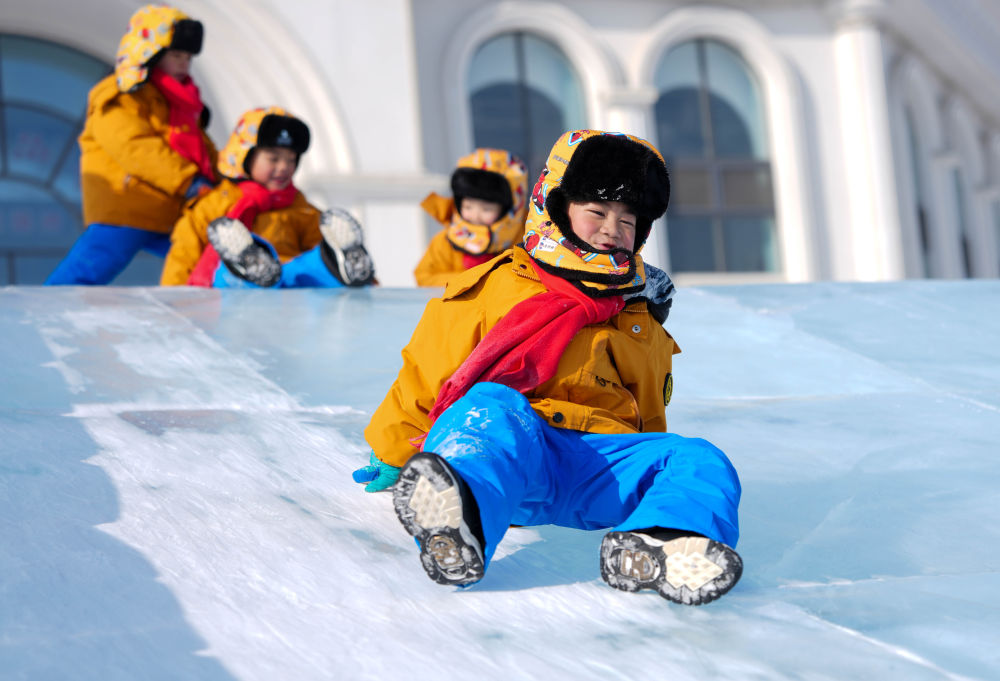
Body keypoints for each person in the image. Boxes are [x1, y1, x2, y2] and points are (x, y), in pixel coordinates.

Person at [353, 130, 742, 606]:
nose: (612, 229)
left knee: (697, 457)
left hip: (596, 464)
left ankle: (662, 541)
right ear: (555, 208)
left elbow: (646, 405)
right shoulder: (498, 286)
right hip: (514, 453)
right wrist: (393, 449)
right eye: (596, 212)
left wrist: (648, 462)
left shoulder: (633, 308)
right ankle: (460, 522)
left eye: (627, 219)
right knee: (490, 405)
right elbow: (428, 367)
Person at [46, 4, 217, 285]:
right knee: (89, 269)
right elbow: (134, 146)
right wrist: (188, 180)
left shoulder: (180, 105)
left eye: (188, 57)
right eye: (176, 55)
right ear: (150, 53)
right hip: (127, 207)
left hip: (168, 209)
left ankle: (199, 305)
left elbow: (203, 149)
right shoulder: (122, 94)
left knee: (203, 259)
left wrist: (225, 179)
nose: (184, 63)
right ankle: (46, 306)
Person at [160, 106, 375, 288]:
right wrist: (173, 303)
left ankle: (339, 264)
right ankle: (246, 264)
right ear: (245, 156)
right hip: (230, 298)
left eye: (291, 160)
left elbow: (313, 242)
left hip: (288, 293)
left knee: (312, 266)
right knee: (228, 274)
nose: (284, 167)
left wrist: (370, 287)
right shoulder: (214, 206)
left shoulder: (299, 208)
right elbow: (183, 258)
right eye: (273, 159)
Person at [414, 149, 528, 287]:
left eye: (486, 209)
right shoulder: (446, 241)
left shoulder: (525, 238)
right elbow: (424, 276)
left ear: (508, 208)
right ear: (458, 203)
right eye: (468, 207)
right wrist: (468, 280)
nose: (475, 215)